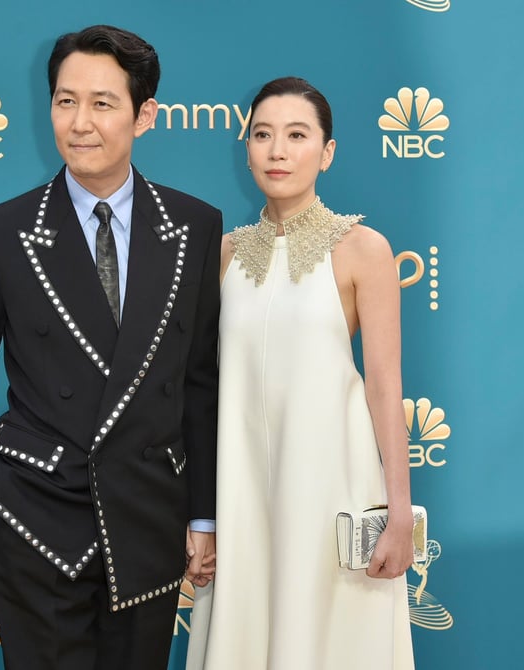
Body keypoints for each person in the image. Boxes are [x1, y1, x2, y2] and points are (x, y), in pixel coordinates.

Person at [0, 24, 220, 670]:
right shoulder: (0, 235)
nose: (80, 123)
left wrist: (203, 516)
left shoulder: (194, 228)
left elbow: (201, 382)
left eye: (102, 103)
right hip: (37, 523)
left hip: (147, 525)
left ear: (145, 116)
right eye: (65, 101)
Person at [186, 77, 415, 669]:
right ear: (246, 148)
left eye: (296, 135)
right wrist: (202, 517)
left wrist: (397, 514)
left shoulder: (363, 249)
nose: (277, 151)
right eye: (262, 135)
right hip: (242, 496)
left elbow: (385, 387)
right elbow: (205, 392)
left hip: (331, 493)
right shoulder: (226, 255)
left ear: (327, 151)